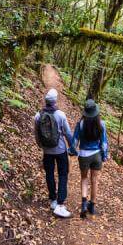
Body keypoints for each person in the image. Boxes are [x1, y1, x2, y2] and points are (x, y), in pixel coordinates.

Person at [34, 88, 76, 218]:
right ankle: (60, 204)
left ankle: (52, 200)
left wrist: (41, 145)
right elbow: (68, 133)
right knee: (63, 175)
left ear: (45, 101)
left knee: (49, 173)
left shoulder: (38, 115)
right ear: (55, 101)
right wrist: (72, 147)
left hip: (47, 151)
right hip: (60, 150)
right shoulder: (60, 115)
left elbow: (36, 134)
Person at [71, 99, 108, 218]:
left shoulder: (80, 124)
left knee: (84, 179)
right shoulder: (101, 124)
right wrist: (104, 156)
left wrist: (72, 150)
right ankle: (92, 206)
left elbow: (75, 140)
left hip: (84, 155)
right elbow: (104, 143)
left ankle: (83, 205)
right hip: (96, 155)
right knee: (94, 180)